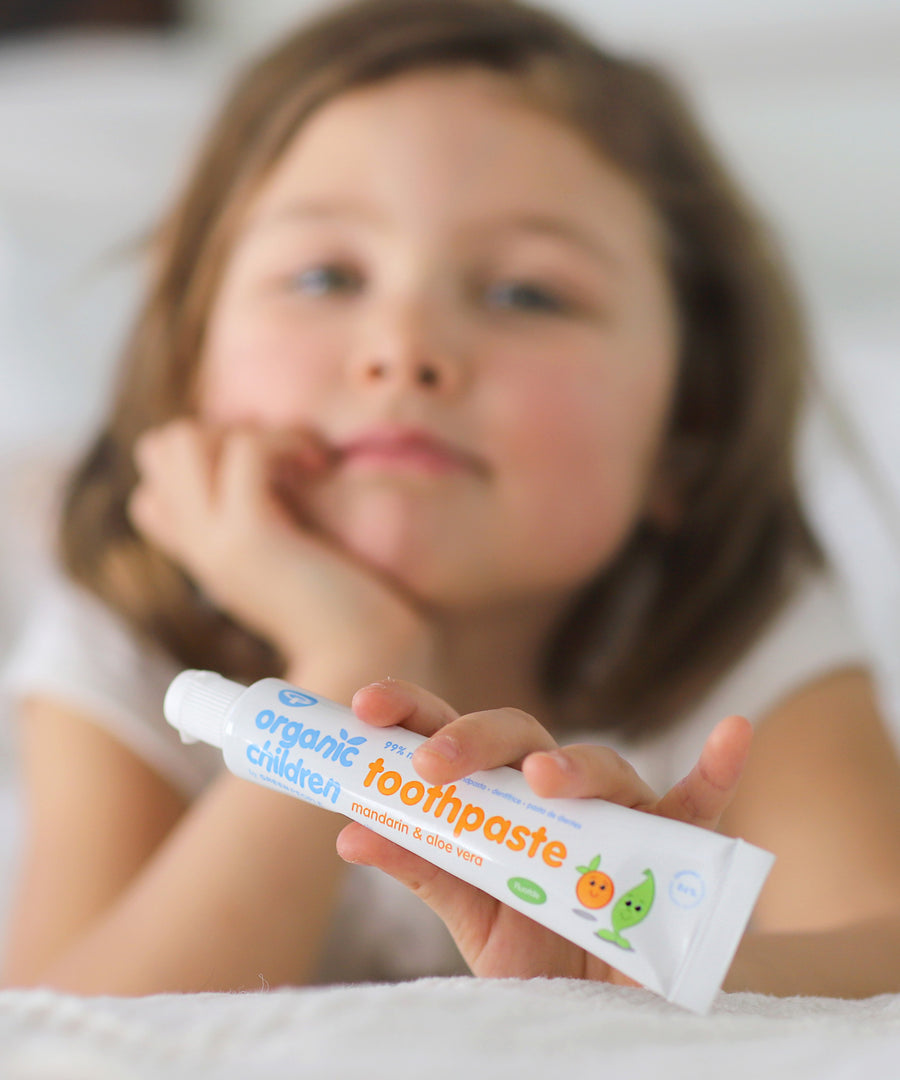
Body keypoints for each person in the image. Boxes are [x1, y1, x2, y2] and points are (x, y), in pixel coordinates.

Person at [3, 0, 900, 998]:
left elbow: (884, 952)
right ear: (186, 370)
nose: (405, 347)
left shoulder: (741, 630)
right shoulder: (131, 634)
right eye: (324, 274)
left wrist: (642, 979)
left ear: (683, 439)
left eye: (526, 294)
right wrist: (348, 666)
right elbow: (64, 1033)